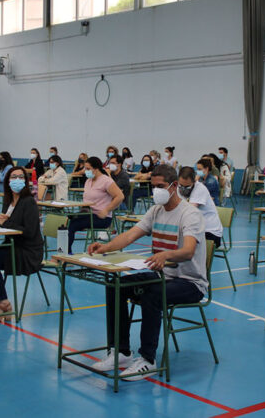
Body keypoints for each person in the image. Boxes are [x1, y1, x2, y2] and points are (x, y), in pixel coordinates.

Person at [85, 164, 206, 380]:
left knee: (153, 294)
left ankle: (148, 360)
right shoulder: (156, 211)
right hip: (162, 277)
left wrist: (166, 255)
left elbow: (188, 251)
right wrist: (105, 247)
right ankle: (121, 352)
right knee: (117, 286)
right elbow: (130, 235)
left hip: (189, 282)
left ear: (174, 186)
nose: (155, 191)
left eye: (160, 186)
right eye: (153, 186)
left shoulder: (190, 214)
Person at [0, 167, 44, 321]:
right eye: (13, 177)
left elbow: (29, 232)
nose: (17, 180)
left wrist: (6, 223)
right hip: (11, 245)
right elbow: (7, 226)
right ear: (8, 181)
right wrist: (2, 223)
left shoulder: (29, 202)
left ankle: (4, 302)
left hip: (27, 251)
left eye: (20, 177)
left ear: (25, 181)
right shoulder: (9, 201)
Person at [66, 157, 124, 253]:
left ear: (96, 169)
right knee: (66, 220)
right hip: (88, 214)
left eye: (88, 169)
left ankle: (66, 255)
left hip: (101, 218)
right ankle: (64, 252)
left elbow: (120, 196)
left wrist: (106, 210)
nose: (85, 171)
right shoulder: (88, 181)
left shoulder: (106, 181)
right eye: (85, 168)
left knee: (73, 225)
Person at [178, 167, 224, 248]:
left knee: (185, 248)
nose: (183, 189)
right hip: (195, 229)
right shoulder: (179, 188)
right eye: (181, 185)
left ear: (194, 181)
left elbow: (190, 211)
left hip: (210, 233)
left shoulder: (200, 189)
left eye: (187, 186)